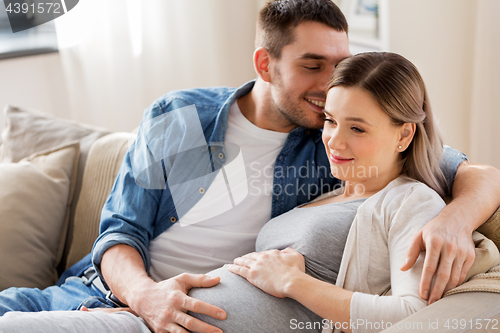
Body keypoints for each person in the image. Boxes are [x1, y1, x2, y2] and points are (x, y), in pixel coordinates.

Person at [0, 1, 499, 333]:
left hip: (186, 313)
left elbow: (464, 170)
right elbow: (119, 232)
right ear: (265, 64)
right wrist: (147, 297)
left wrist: (453, 221)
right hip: (107, 290)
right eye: (312, 65)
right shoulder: (180, 116)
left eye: (340, 63)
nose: (332, 83)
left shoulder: (337, 145)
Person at [185, 50, 452, 333]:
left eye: (357, 128)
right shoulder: (327, 191)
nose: (334, 142)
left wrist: (292, 281)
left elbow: (413, 317)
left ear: (404, 135)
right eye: (331, 120)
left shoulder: (411, 201)